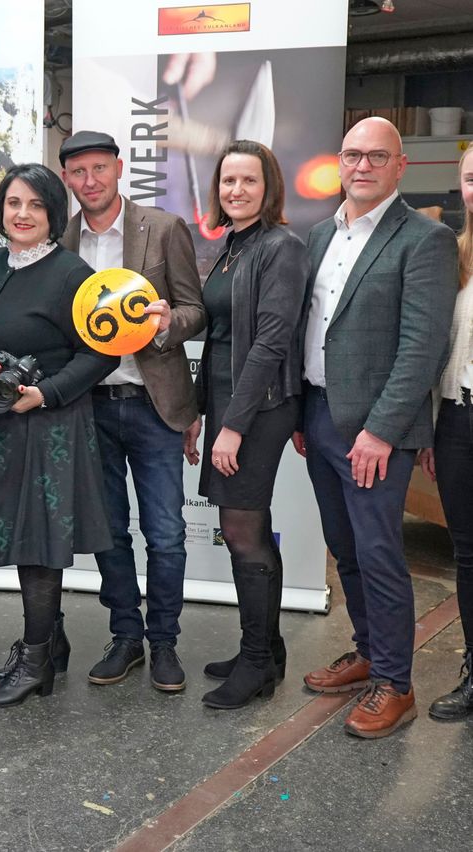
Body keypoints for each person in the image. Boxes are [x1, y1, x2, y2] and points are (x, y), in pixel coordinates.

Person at [296, 117, 457, 738]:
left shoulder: (423, 240)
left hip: (374, 433)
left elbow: (422, 348)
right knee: (345, 550)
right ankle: (367, 651)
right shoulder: (318, 236)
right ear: (339, 161)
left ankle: (396, 683)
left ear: (400, 166)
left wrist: (382, 431)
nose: (362, 166)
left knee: (380, 553)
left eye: (376, 157)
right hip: (318, 415)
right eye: (352, 155)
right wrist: (300, 412)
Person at [0, 162, 118, 708]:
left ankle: (35, 659)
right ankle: (53, 639)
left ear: (54, 213)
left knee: (39, 545)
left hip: (49, 425)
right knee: (22, 540)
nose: (21, 214)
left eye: (35, 205)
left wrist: (45, 393)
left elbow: (102, 351)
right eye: (12, 203)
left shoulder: (74, 274)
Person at [59, 131, 205, 692]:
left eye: (99, 168)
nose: (89, 181)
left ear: (119, 169)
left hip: (154, 404)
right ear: (67, 178)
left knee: (166, 532)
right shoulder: (61, 242)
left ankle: (164, 643)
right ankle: (125, 636)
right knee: (108, 532)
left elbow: (196, 310)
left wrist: (171, 323)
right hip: (89, 406)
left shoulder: (163, 229)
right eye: (78, 172)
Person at [184, 140, 309, 709]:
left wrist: (231, 426)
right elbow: (218, 340)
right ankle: (266, 649)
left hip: (259, 406)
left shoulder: (281, 246)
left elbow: (270, 341)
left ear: (269, 187)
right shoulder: (234, 244)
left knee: (241, 530)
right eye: (227, 181)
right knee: (250, 526)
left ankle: (257, 663)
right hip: (230, 403)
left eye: (248, 181)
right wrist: (200, 412)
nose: (235, 190)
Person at [418, 145, 473, 721]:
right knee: (469, 556)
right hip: (458, 419)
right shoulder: (455, 256)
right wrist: (433, 426)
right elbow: (437, 348)